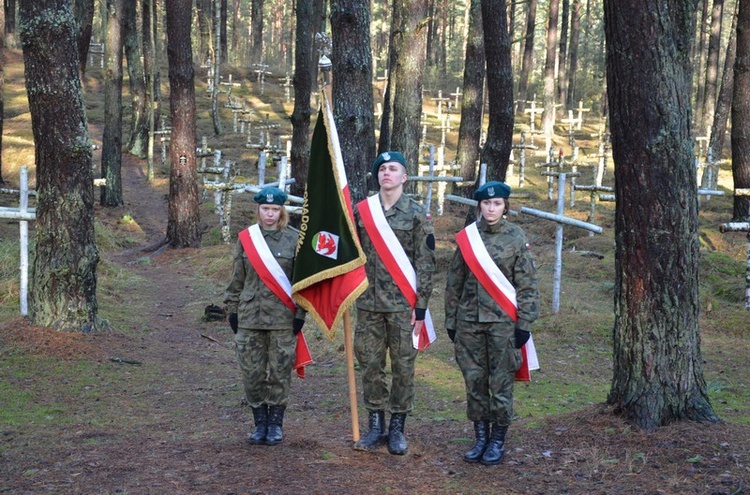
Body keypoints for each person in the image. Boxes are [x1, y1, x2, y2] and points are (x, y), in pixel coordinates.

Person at [444, 181, 539, 466]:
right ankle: (480, 437)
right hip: (469, 323)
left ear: (505, 206)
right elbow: (454, 282)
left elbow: (528, 285)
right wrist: (451, 321)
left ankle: (498, 440)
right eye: (486, 203)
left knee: (500, 383)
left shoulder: (515, 236)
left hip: (502, 324)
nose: (491, 208)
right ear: (479, 206)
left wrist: (525, 323)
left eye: (497, 203)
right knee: (474, 382)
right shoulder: (467, 238)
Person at [352, 151, 436, 455]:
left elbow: (426, 263)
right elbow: (350, 255)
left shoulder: (416, 213)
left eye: (393, 169)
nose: (387, 173)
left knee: (403, 367)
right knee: (370, 366)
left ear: (404, 177)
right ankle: (375, 426)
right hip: (367, 304)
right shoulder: (361, 212)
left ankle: (398, 428)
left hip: (403, 306)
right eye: (382, 169)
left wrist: (421, 306)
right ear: (377, 176)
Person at [224, 186, 306, 446]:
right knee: (252, 373)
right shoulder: (246, 239)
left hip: (282, 318)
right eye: (265, 209)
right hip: (249, 318)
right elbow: (237, 278)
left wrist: (300, 314)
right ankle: (259, 423)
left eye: (274, 209)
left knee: (280, 373)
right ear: (258, 210)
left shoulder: (294, 239)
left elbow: (301, 282)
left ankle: (276, 425)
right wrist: (232, 310)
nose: (270, 214)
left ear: (281, 211)